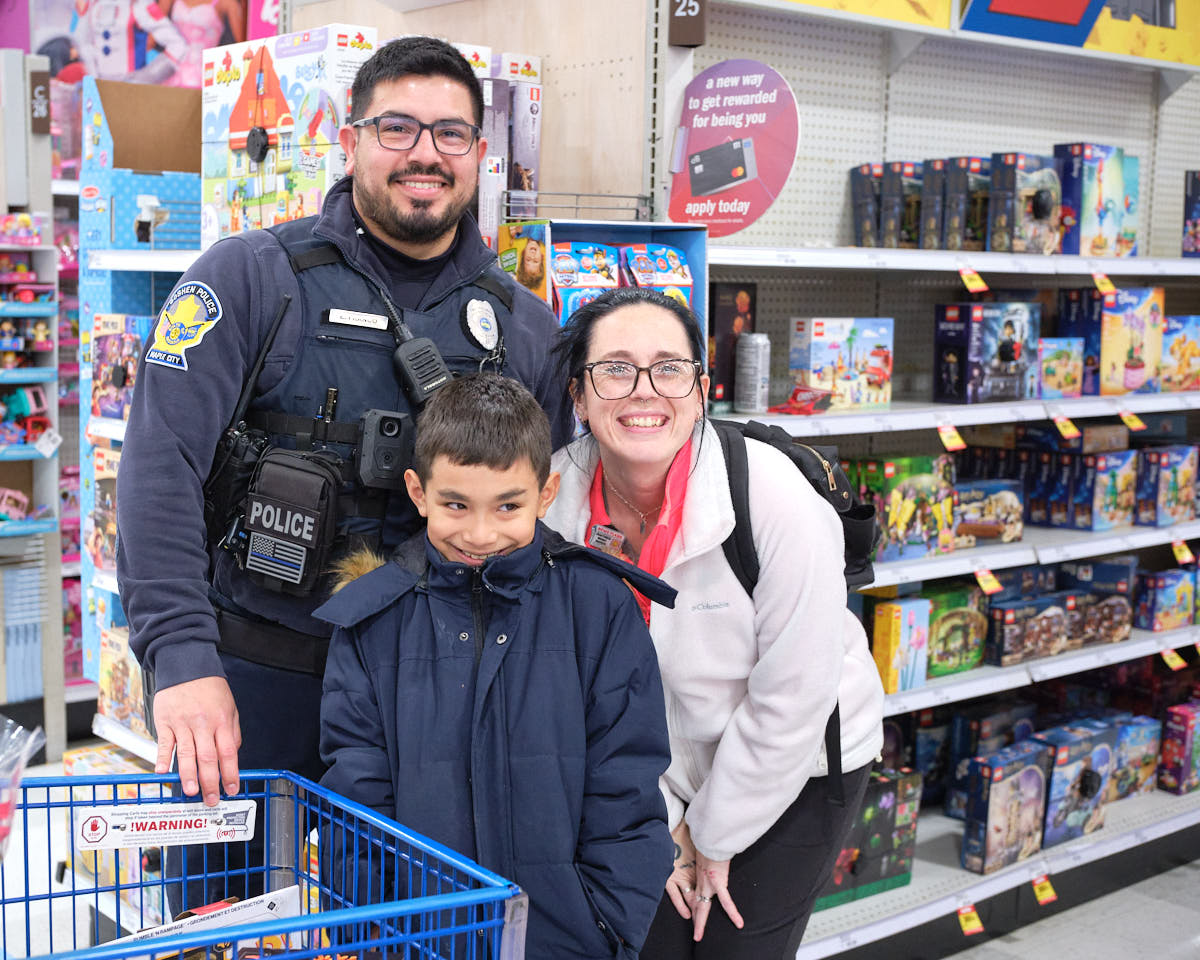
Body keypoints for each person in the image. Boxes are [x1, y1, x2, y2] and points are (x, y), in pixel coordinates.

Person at [116, 36, 569, 909]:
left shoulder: (526, 330)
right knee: (225, 926)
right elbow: (156, 468)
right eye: (397, 127)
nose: (426, 153)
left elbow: (542, 525)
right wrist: (179, 659)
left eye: (451, 133)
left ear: (480, 154)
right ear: (350, 139)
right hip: (249, 691)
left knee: (410, 931)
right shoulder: (248, 280)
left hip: (437, 710)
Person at [546, 288, 884, 959]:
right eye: (614, 369)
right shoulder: (551, 506)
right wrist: (665, 822)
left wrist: (712, 835)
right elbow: (573, 691)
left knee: (735, 946)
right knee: (654, 942)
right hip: (650, 770)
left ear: (701, 390)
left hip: (800, 764)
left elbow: (795, 693)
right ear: (578, 397)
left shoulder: (774, 498)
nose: (644, 392)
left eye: (669, 368)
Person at [315, 373, 673, 959]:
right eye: (456, 504)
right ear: (417, 491)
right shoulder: (372, 620)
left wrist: (608, 925)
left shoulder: (598, 606)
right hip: (418, 941)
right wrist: (369, 934)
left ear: (548, 492)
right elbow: (355, 796)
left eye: (509, 506)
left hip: (567, 941)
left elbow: (627, 783)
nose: (481, 534)